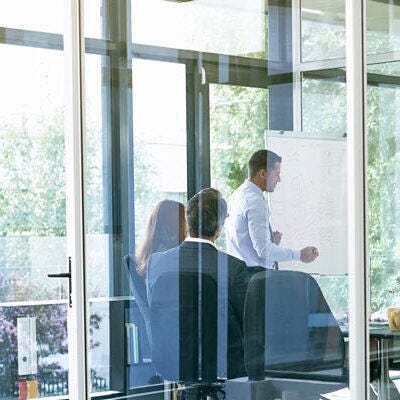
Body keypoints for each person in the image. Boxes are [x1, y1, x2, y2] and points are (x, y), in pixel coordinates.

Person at [147, 188, 249, 379]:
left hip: (171, 363)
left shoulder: (157, 263)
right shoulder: (233, 268)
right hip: (223, 368)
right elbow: (248, 323)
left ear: (188, 222)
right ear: (219, 227)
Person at [226, 149, 319, 270]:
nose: (279, 180)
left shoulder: (237, 194)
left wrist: (270, 241)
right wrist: (300, 255)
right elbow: (263, 250)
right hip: (254, 278)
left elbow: (244, 241)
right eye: (277, 174)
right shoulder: (255, 201)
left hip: (240, 274)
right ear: (262, 173)